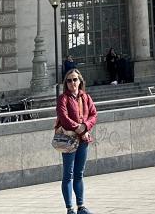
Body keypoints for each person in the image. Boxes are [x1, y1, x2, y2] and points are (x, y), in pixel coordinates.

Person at [55, 69, 98, 214]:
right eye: (69, 80)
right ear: (65, 83)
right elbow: (64, 118)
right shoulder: (63, 99)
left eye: (75, 79)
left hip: (83, 140)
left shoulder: (86, 97)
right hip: (69, 140)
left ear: (80, 81)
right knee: (68, 174)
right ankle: (70, 209)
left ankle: (81, 207)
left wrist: (85, 126)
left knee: (79, 174)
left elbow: (93, 114)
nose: (72, 83)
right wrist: (80, 129)